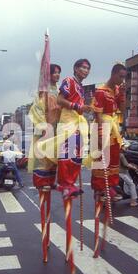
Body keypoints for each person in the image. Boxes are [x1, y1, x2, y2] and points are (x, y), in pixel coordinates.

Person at [38, 59, 92, 199]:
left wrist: (86, 108)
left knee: (77, 154)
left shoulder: (81, 86)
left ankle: (70, 184)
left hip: (78, 121)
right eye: (83, 67)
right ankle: (64, 184)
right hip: (68, 120)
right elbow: (60, 100)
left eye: (88, 68)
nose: (86, 70)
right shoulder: (69, 81)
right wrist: (78, 107)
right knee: (67, 152)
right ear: (75, 68)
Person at [90, 64, 127, 201]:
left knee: (113, 157)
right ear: (113, 74)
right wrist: (100, 134)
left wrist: (122, 94)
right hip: (102, 126)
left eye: (124, 77)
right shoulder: (101, 91)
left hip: (113, 126)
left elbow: (122, 110)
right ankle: (99, 190)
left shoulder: (116, 90)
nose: (122, 80)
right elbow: (97, 114)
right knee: (101, 159)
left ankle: (109, 187)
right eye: (120, 76)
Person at [28, 64, 62, 189]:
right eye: (54, 72)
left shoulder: (58, 90)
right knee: (42, 156)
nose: (57, 75)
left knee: (52, 155)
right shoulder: (43, 90)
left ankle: (50, 181)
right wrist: (43, 126)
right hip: (44, 126)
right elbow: (38, 109)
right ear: (49, 74)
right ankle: (41, 182)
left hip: (55, 126)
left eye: (59, 72)